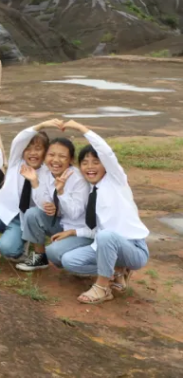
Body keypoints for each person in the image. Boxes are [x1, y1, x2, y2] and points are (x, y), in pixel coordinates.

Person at [57, 121, 150, 305]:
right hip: (106, 245)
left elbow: (107, 153)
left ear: (106, 165)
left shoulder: (116, 180)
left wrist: (81, 129)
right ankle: (117, 271)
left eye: (96, 162)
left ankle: (102, 287)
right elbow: (98, 230)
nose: (90, 167)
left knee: (106, 236)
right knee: (69, 261)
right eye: (85, 163)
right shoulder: (92, 192)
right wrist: (75, 231)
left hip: (133, 249)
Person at [17, 122, 93, 271]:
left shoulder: (79, 179)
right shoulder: (45, 172)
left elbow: (74, 213)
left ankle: (89, 255)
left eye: (62, 156)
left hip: (79, 230)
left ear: (70, 160)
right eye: (51, 155)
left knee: (54, 252)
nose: (55, 160)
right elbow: (43, 203)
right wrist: (35, 183)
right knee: (33, 213)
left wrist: (61, 193)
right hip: (61, 222)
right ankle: (39, 258)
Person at [0, 123, 49, 264]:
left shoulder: (47, 174)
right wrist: (42, 125)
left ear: (45, 152)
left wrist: (35, 182)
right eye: (28, 148)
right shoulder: (16, 163)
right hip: (6, 214)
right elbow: (19, 140)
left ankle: (22, 243)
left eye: (38, 149)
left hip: (23, 221)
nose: (32, 153)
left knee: (7, 249)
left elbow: (44, 204)